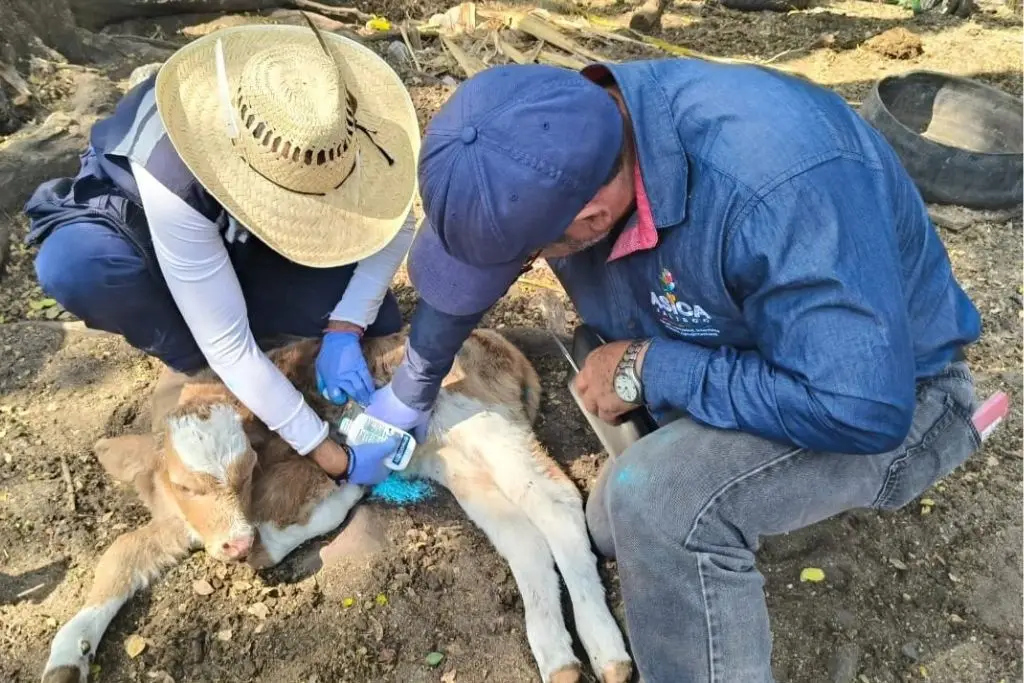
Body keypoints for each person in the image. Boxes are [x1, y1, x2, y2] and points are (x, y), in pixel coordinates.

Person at [363, 61, 983, 681]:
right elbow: (471, 271)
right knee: (609, 525)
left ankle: (928, 448)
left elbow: (861, 406)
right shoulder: (552, 138)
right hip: (743, 355)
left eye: (526, 257)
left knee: (661, 509)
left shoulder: (778, 185)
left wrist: (650, 367)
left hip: (882, 394)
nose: (519, 268)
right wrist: (413, 384)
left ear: (594, 219)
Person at [23, 21, 421, 487]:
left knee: (380, 322)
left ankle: (259, 334)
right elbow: (230, 346)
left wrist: (345, 327)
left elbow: (398, 221)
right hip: (142, 225)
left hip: (252, 235)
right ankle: (193, 361)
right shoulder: (176, 166)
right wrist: (336, 458)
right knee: (79, 268)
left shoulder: (332, 115)